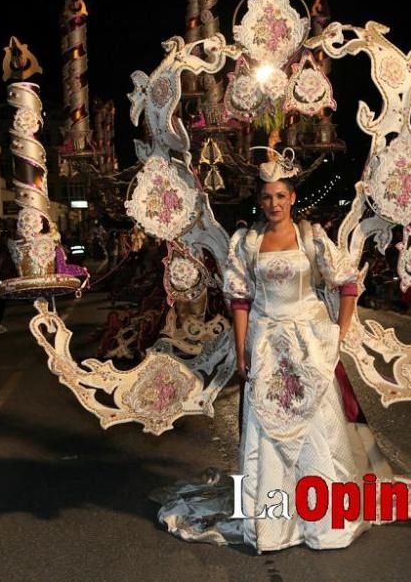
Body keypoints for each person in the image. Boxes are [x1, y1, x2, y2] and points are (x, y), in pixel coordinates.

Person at [156, 150, 392, 552]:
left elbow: (347, 281)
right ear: (260, 201)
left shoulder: (312, 237)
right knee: (268, 433)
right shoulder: (247, 243)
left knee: (319, 431)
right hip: (267, 345)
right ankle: (274, 526)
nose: (274, 204)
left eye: (281, 196)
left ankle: (325, 522)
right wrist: (244, 348)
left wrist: (340, 331)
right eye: (267, 198)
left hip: (310, 345)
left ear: (292, 197)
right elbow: (240, 300)